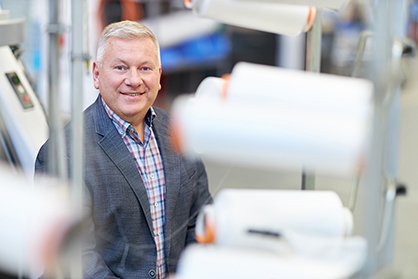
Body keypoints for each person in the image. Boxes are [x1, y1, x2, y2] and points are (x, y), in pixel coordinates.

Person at [35, 20, 212, 279]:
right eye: (120, 67)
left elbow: (201, 222)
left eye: (145, 68)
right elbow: (74, 256)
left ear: (159, 75)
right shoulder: (63, 154)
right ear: (96, 74)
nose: (134, 80)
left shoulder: (181, 133)